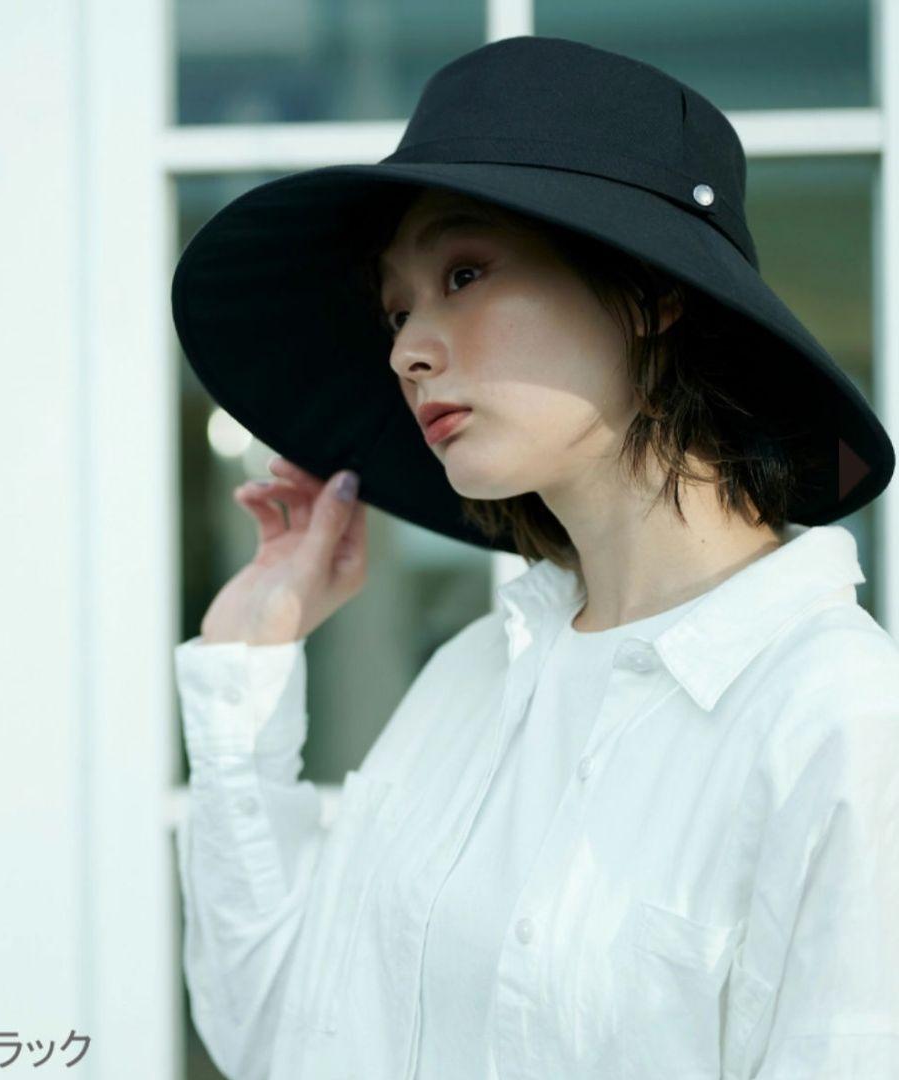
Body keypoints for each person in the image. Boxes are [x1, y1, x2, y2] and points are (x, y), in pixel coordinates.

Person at [171, 35, 899, 1080]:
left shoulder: (836, 720)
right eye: (398, 309)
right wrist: (247, 670)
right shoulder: (476, 674)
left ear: (652, 290)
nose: (406, 349)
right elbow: (286, 1033)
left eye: (464, 273)